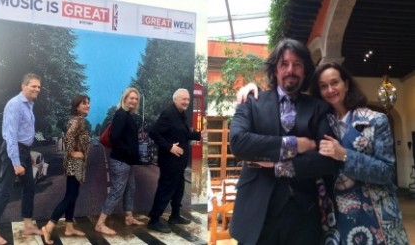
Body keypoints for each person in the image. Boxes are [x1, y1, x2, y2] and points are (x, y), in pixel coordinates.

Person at [228, 38, 340, 245]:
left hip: (304, 214)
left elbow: (328, 161)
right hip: (257, 213)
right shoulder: (252, 102)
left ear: (305, 71)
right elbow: (238, 143)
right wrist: (296, 144)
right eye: (284, 64)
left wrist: (280, 166)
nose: (291, 69)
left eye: (297, 64)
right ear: (275, 70)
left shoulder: (319, 108)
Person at [311, 63, 409, 244]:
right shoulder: (318, 124)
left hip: (376, 217)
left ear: (346, 84)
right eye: (323, 86)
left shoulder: (375, 120)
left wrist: (345, 155)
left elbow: (386, 171)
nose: (330, 89)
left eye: (335, 82)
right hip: (336, 221)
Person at [0, 73, 43, 245]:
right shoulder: (15, 104)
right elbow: (11, 136)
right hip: (13, 151)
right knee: (4, 190)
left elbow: (24, 133)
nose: (37, 89)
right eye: (33, 86)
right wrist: (17, 162)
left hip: (24, 151)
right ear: (23, 87)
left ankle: (27, 225)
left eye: (39, 87)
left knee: (29, 188)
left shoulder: (29, 105)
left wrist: (29, 156)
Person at [146, 88, 208, 233]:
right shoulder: (168, 114)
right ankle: (154, 220)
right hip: (170, 161)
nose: (186, 101)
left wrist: (199, 134)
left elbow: (184, 135)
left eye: (187, 99)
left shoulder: (181, 115)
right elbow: (153, 132)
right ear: (175, 100)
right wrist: (169, 147)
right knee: (165, 189)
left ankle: (175, 216)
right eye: (183, 99)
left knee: (179, 189)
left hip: (179, 162)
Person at [94, 87, 144, 235]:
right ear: (125, 99)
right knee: (116, 192)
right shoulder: (121, 114)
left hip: (127, 161)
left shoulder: (128, 115)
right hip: (121, 161)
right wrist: (129, 151)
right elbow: (115, 137)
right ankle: (100, 223)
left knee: (131, 188)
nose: (133, 101)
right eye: (131, 98)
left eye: (136, 99)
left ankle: (129, 217)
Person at [42, 95, 91, 244]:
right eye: (84, 104)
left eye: (88, 103)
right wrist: (72, 152)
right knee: (69, 196)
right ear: (77, 106)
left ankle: (69, 227)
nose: (88, 105)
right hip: (74, 164)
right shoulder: (76, 121)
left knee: (73, 195)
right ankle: (49, 227)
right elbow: (68, 137)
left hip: (76, 164)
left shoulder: (79, 120)